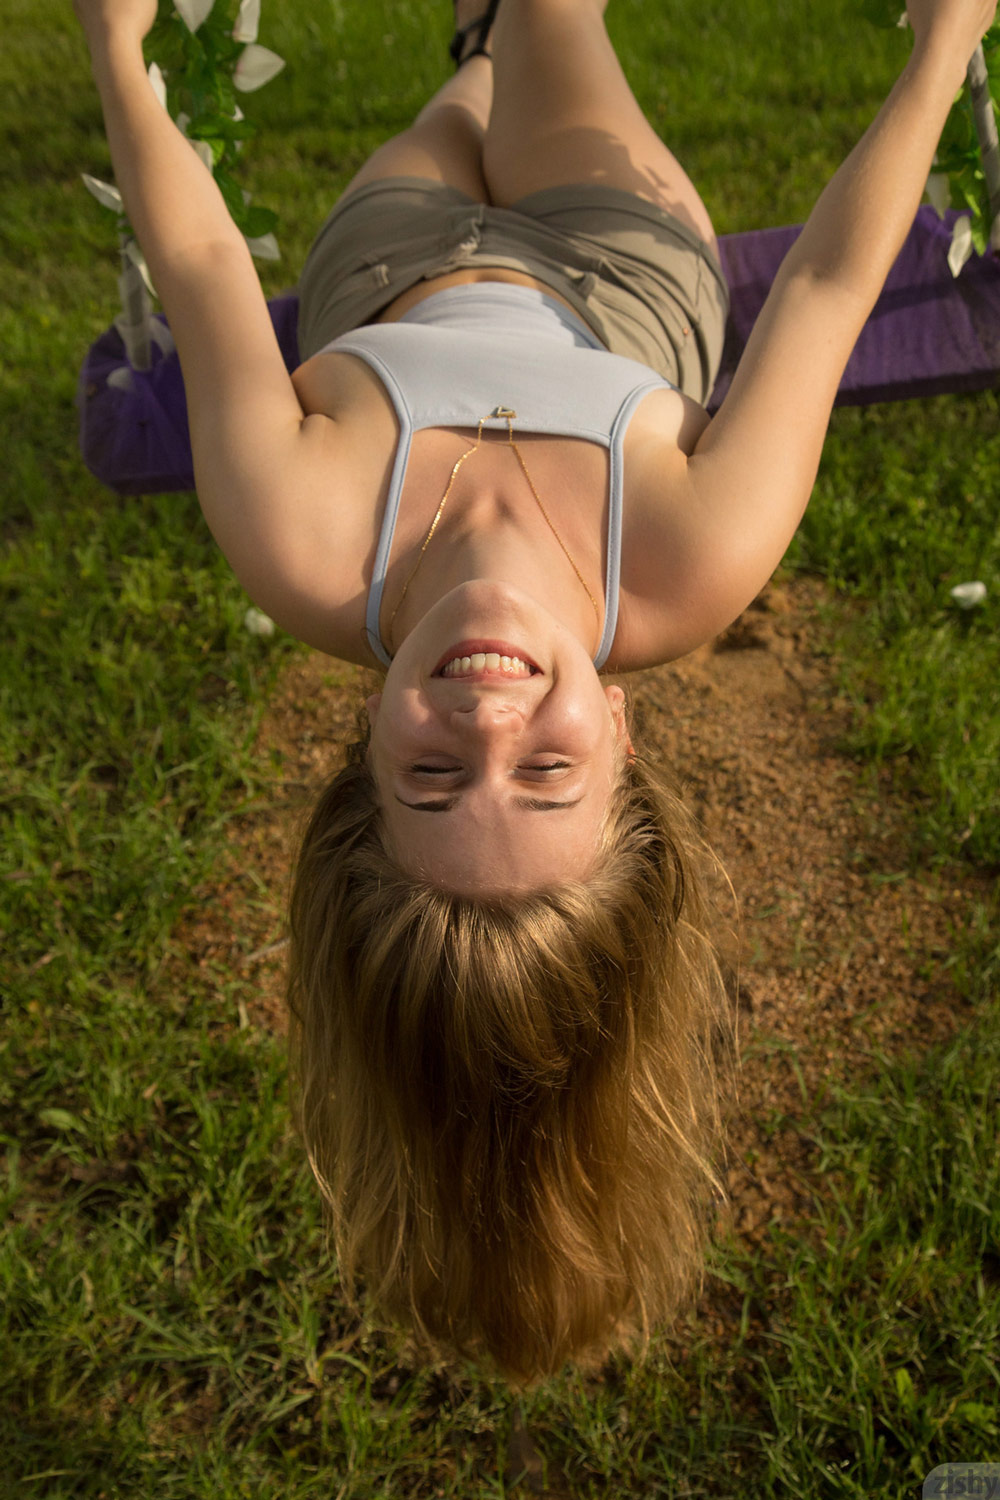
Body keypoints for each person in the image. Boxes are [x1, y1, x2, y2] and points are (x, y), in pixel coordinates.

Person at [76, 0, 997, 1386]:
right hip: (620, 271)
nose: (489, 721)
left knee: (463, 111)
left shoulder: (301, 535)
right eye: (546, 773)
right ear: (622, 738)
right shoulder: (691, 557)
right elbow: (818, 292)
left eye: (435, 777)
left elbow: (202, 259)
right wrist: (946, 44)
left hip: (386, 271)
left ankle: (482, 58)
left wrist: (119, 53)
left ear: (365, 756)